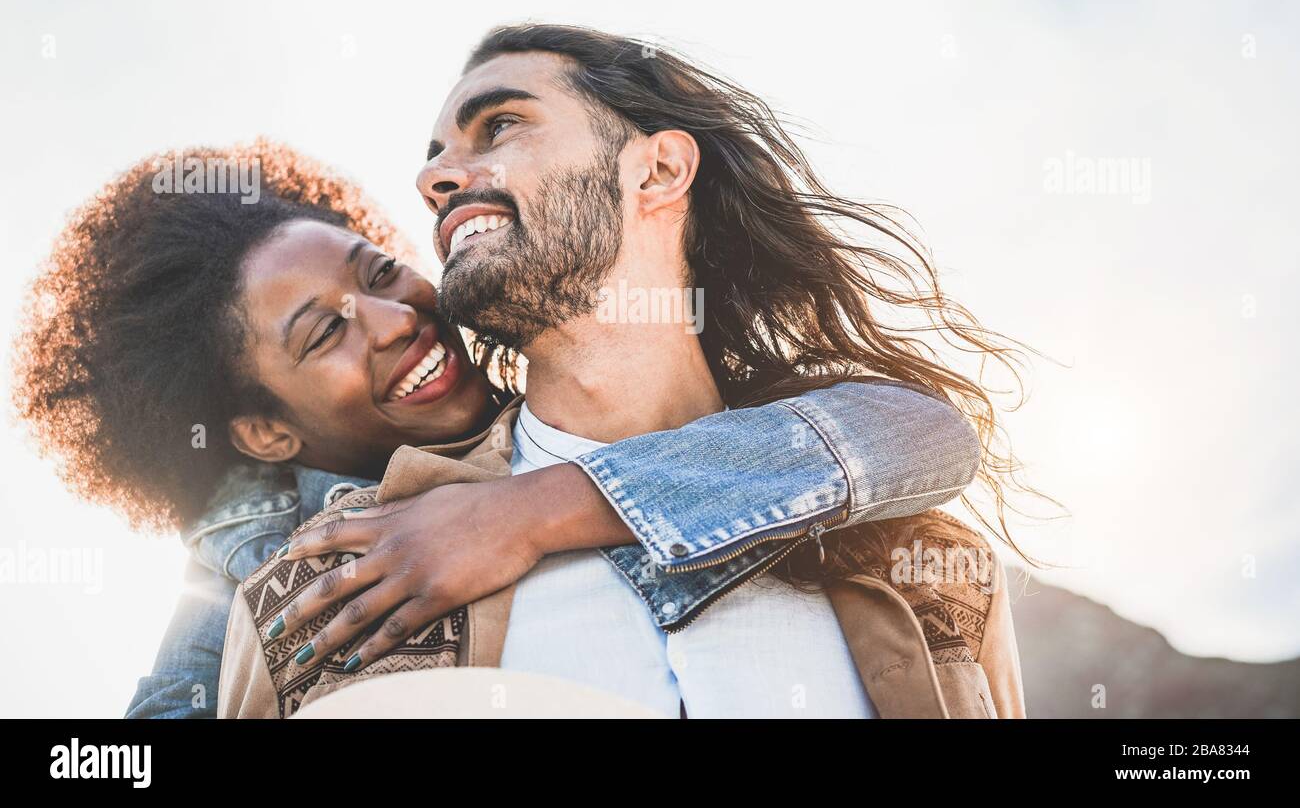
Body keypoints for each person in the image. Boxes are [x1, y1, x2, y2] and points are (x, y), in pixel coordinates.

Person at [222, 25, 1039, 717]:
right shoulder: (339, 581)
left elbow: (924, 433)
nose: (432, 178)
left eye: (500, 126)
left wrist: (530, 513)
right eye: (436, 161)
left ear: (658, 171)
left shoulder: (928, 566)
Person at [11, 141, 985, 719]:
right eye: (324, 332)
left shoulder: (574, 382)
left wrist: (523, 513)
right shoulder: (259, 557)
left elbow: (913, 431)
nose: (393, 317)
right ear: (264, 430)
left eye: (378, 271)